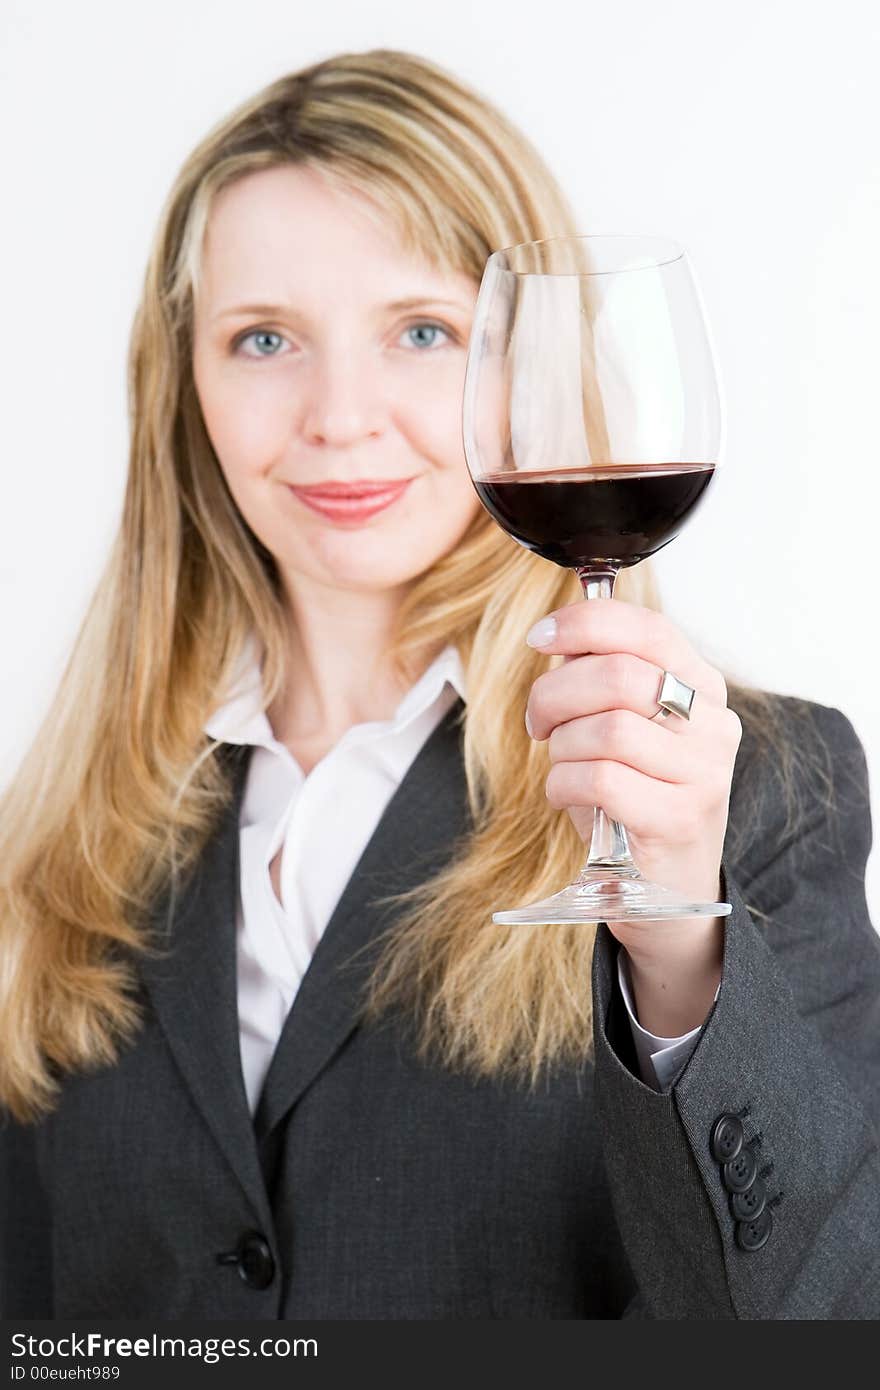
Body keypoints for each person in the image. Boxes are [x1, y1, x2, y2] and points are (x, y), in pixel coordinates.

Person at [1, 48, 878, 1322]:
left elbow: (827, 1315)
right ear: (181, 386)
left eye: (421, 331)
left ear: (524, 361)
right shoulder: (70, 822)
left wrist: (683, 944)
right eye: (263, 340)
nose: (339, 414)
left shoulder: (760, 787)